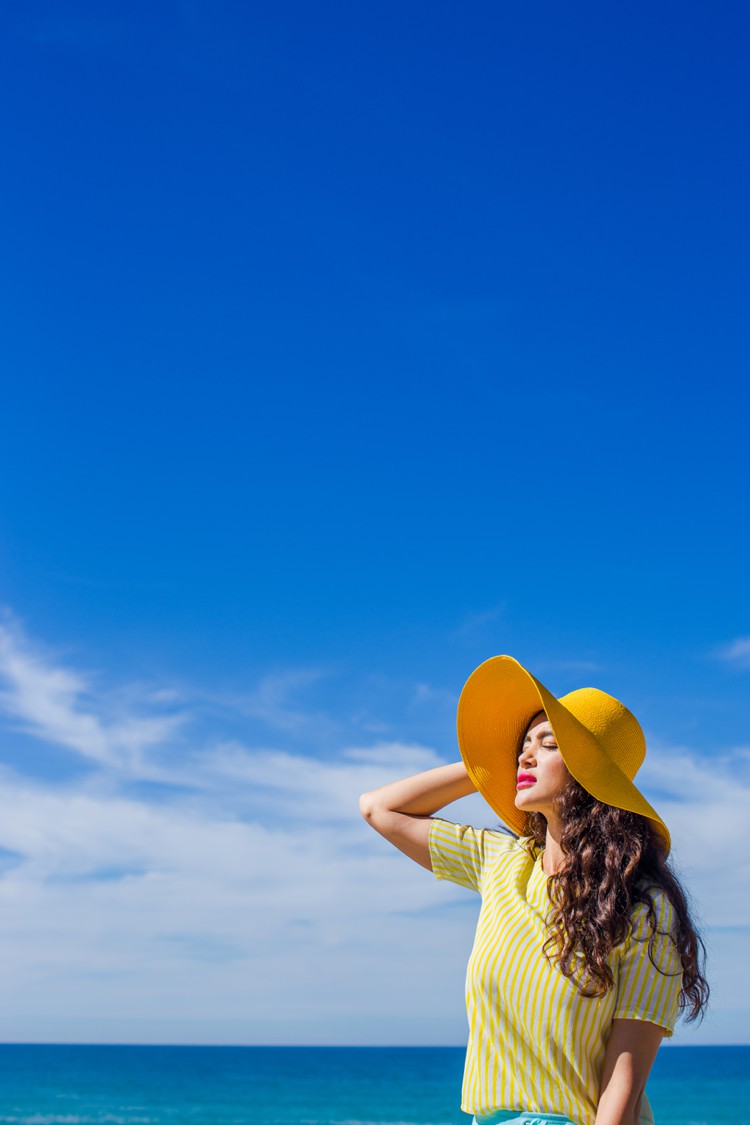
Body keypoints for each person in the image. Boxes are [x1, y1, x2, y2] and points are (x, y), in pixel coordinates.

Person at [359, 655, 709, 1125]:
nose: (525, 756)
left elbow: (621, 1091)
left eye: (548, 744)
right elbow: (380, 809)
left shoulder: (644, 906)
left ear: (590, 772)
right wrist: (486, 764)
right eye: (523, 744)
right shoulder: (500, 862)